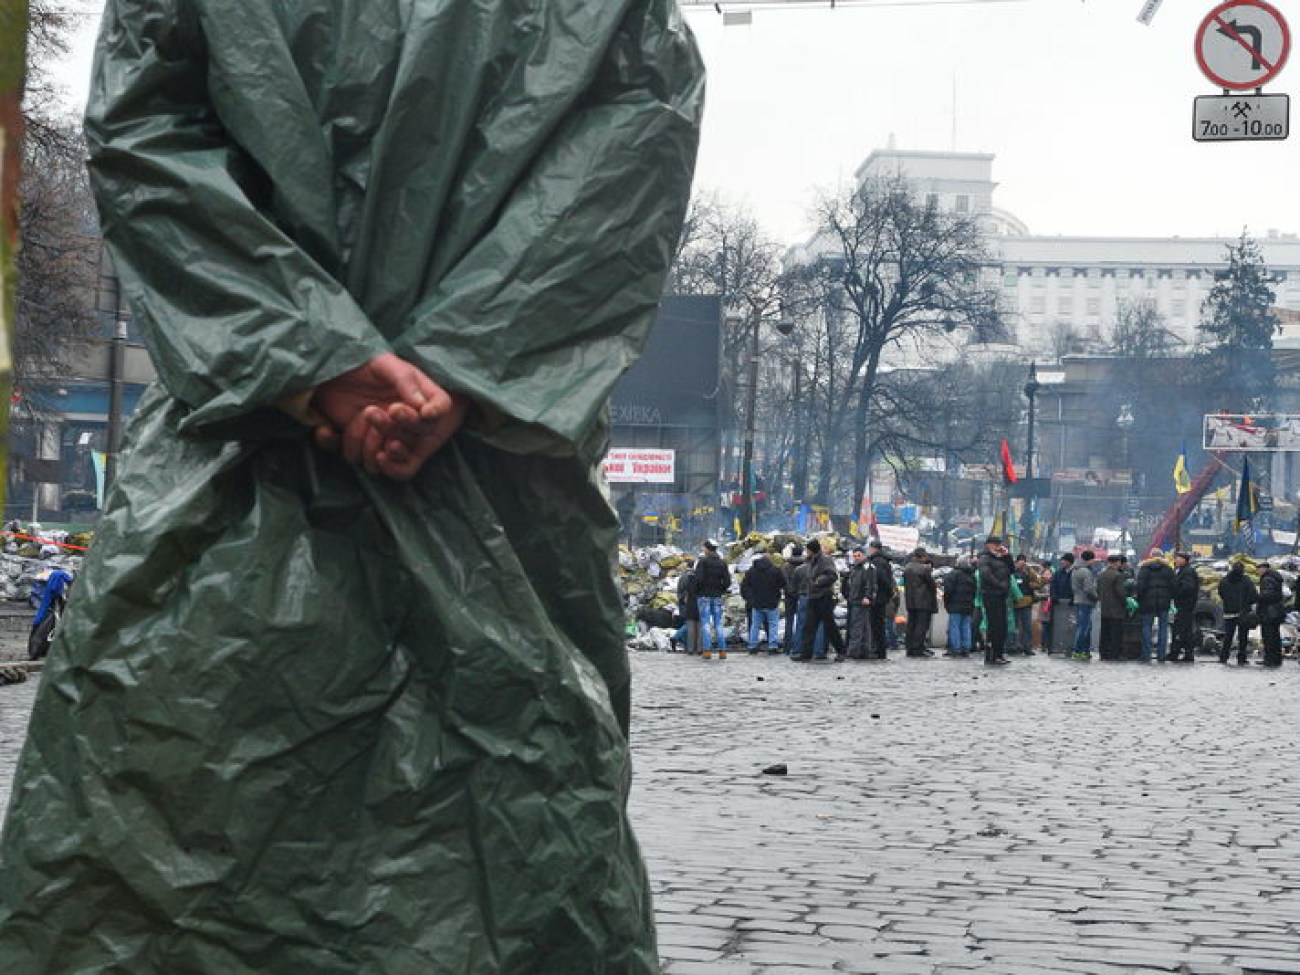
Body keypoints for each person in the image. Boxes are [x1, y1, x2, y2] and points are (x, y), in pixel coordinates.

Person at [0, 3, 704, 970]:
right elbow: (633, 152)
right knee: (518, 853)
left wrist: (315, 359)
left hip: (235, 468)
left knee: (167, 864)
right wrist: (459, 367)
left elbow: (144, 135)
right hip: (499, 483)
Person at [797, 538, 846, 661]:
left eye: (807, 550)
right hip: (813, 597)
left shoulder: (825, 560)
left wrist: (818, 582)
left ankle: (841, 651)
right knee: (809, 627)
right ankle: (806, 653)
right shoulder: (811, 560)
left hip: (824, 597)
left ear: (812, 550)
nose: (806, 552)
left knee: (830, 626)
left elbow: (832, 575)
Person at [977, 536, 1014, 666]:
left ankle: (999, 653)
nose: (998, 546)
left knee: (1002, 626)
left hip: (1001, 595)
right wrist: (1000, 585)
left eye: (999, 544)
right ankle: (992, 654)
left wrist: (1007, 556)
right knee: (994, 626)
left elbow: (1012, 570)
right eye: (995, 544)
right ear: (988, 545)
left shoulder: (1000, 558)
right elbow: (985, 574)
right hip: (991, 594)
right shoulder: (984, 557)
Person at [1134, 548, 1175, 662]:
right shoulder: (1168, 569)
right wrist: (1169, 597)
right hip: (1164, 601)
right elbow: (1173, 585)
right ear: (1162, 556)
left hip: (1148, 601)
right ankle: (1161, 655)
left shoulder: (1144, 568)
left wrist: (1140, 599)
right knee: (1163, 628)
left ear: (1151, 556)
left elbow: (1140, 586)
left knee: (1147, 627)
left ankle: (1146, 655)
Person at [742, 554, 785, 654]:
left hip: (756, 603)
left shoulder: (751, 571)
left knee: (755, 625)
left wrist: (750, 599)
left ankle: (752, 646)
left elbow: (745, 586)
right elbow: (783, 584)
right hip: (772, 602)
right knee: (773, 625)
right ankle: (772, 646)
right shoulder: (776, 570)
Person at [696, 540, 732, 660]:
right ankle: (722, 651)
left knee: (706, 623)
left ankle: (707, 651)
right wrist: (721, 590)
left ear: (707, 549)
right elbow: (727, 581)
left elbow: (699, 579)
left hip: (704, 596)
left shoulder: (703, 562)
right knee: (718, 623)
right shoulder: (722, 563)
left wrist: (699, 590)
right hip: (717, 596)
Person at [1217, 559, 1258, 665]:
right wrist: (1247, 605)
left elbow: (1220, 593)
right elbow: (1253, 595)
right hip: (1243, 612)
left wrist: (1228, 603)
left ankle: (1224, 657)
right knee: (1243, 636)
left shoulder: (1225, 580)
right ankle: (1241, 658)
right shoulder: (1246, 580)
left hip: (1229, 612)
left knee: (1228, 636)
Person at [902, 547, 938, 657]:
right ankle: (918, 648)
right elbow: (932, 585)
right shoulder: (924, 569)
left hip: (910, 601)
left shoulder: (907, 568)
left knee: (911, 625)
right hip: (923, 601)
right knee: (921, 626)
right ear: (922, 557)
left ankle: (909, 648)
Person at [843, 547, 877, 659]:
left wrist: (867, 596)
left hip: (861, 600)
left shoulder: (868, 567)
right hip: (855, 600)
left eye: (858, 555)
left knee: (857, 627)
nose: (856, 558)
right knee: (863, 627)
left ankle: (854, 651)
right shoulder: (855, 568)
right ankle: (864, 650)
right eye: (855, 556)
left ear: (863, 555)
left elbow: (870, 583)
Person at [1168, 551, 1200, 663]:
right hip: (1184, 605)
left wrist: (1176, 590)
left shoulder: (1187, 572)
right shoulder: (1182, 571)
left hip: (1185, 605)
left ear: (1184, 560)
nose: (1175, 560)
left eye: (1178, 558)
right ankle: (1186, 653)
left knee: (1182, 630)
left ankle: (1179, 652)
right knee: (1184, 630)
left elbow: (1188, 588)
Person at [943, 556, 977, 657]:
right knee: (966, 626)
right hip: (968, 605)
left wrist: (947, 603)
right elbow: (975, 591)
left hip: (955, 605)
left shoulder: (953, 575)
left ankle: (956, 648)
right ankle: (965, 648)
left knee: (954, 627)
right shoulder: (972, 576)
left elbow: (948, 591)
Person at [867, 540, 896, 659]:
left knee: (876, 624)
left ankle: (878, 650)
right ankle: (879, 649)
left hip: (878, 597)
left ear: (874, 548)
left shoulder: (877, 561)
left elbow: (881, 579)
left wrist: (886, 592)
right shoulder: (884, 561)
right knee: (878, 624)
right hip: (882, 596)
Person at [1097, 554, 1128, 661]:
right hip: (1116, 609)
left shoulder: (1101, 574)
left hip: (1105, 608)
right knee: (1116, 633)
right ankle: (1114, 654)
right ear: (1117, 562)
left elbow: (1098, 591)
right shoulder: (1117, 575)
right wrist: (1126, 603)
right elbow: (1120, 592)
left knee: (1104, 632)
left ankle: (1103, 653)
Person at [1256, 562, 1287, 668]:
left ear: (1264, 568)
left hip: (1269, 612)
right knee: (1275, 636)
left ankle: (1269, 659)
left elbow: (1268, 595)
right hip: (1276, 612)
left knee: (1268, 636)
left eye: (1258, 568)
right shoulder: (1275, 577)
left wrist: (1258, 597)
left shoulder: (1267, 579)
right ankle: (1277, 659)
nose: (1257, 571)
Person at [1071, 550, 1100, 659]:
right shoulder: (1085, 572)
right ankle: (1078, 650)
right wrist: (1096, 597)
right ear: (1090, 559)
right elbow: (1089, 589)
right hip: (1086, 602)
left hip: (1078, 600)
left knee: (1083, 626)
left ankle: (1084, 651)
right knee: (1084, 628)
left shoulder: (1075, 569)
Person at [1012, 553, 1040, 655]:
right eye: (1020, 562)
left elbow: (1038, 583)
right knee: (1014, 627)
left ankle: (1026, 647)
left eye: (1023, 562)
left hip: (1026, 602)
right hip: (1014, 603)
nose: (1022, 564)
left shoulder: (1029, 572)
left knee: (1027, 626)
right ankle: (1013, 646)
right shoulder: (1012, 571)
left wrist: (1031, 585)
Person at [1048, 552, 1076, 654]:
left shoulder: (1075, 572)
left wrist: (1074, 597)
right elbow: (1053, 585)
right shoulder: (1059, 572)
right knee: (1059, 626)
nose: (1062, 562)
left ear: (1069, 561)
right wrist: (1054, 596)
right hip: (1059, 604)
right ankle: (1058, 645)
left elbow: (1077, 586)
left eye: (1064, 560)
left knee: (1071, 625)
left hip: (1072, 604)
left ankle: (1071, 646)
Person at [781, 544, 806, 654]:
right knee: (803, 622)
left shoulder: (786, 566)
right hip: (803, 595)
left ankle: (787, 646)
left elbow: (784, 582)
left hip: (789, 597)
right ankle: (800, 645)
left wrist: (790, 591)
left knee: (789, 621)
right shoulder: (806, 565)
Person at [674, 559, 701, 654]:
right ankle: (676, 637)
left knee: (689, 624)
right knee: (689, 625)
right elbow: (688, 592)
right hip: (688, 604)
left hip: (683, 603)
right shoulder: (691, 577)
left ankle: (688, 646)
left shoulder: (683, 576)